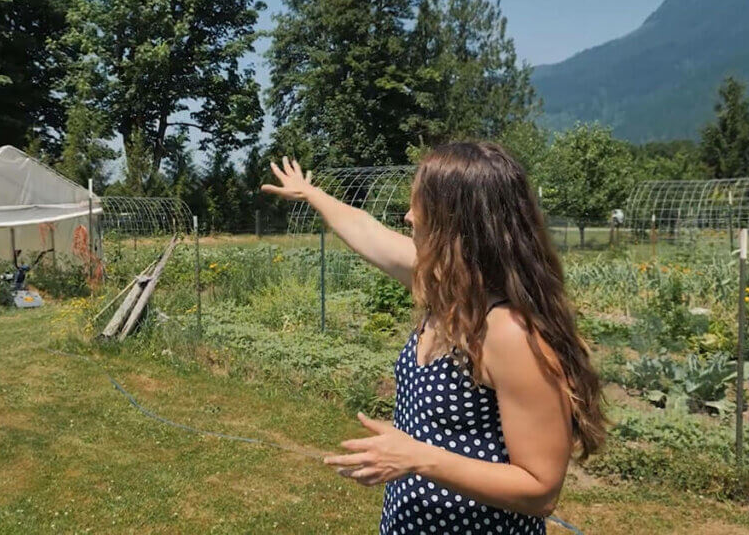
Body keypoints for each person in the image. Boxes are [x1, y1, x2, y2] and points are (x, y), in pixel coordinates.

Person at [260, 142, 606, 535]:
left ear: (456, 222)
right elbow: (366, 231)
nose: (407, 217)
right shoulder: (445, 290)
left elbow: (540, 490)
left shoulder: (510, 332)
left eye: (419, 205)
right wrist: (312, 194)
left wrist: (419, 458)